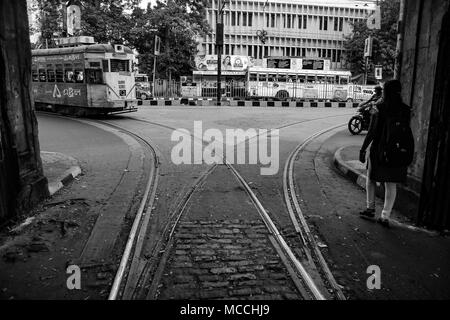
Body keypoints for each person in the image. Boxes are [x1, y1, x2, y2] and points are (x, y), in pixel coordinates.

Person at [359, 80, 412, 227]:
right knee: (391, 184)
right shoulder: (405, 109)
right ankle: (385, 216)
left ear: (386, 92)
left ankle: (370, 209)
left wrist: (363, 149)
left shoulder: (379, 107)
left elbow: (372, 131)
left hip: (379, 150)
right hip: (397, 151)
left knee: (371, 179)